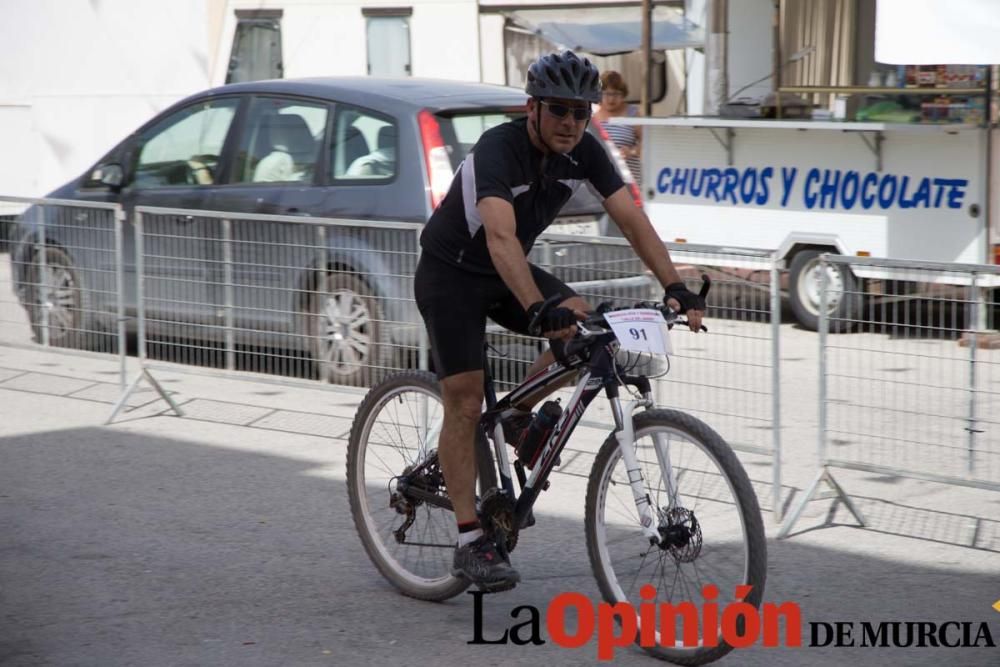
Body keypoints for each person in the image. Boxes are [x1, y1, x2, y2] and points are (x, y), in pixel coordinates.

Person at [414, 50, 705, 592]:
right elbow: (500, 238)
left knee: (588, 330)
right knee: (464, 397)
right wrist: (533, 308)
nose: (571, 122)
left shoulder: (584, 150)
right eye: (559, 111)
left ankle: (517, 415)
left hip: (508, 270)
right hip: (452, 274)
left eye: (581, 111)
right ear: (533, 107)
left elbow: (631, 220)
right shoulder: (500, 149)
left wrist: (675, 284)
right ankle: (468, 539)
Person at [593, 70, 643, 186]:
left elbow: (646, 142)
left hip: (631, 180)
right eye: (606, 94)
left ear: (623, 94)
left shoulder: (632, 112)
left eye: (615, 94)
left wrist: (632, 151)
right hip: (604, 182)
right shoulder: (593, 115)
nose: (611, 99)